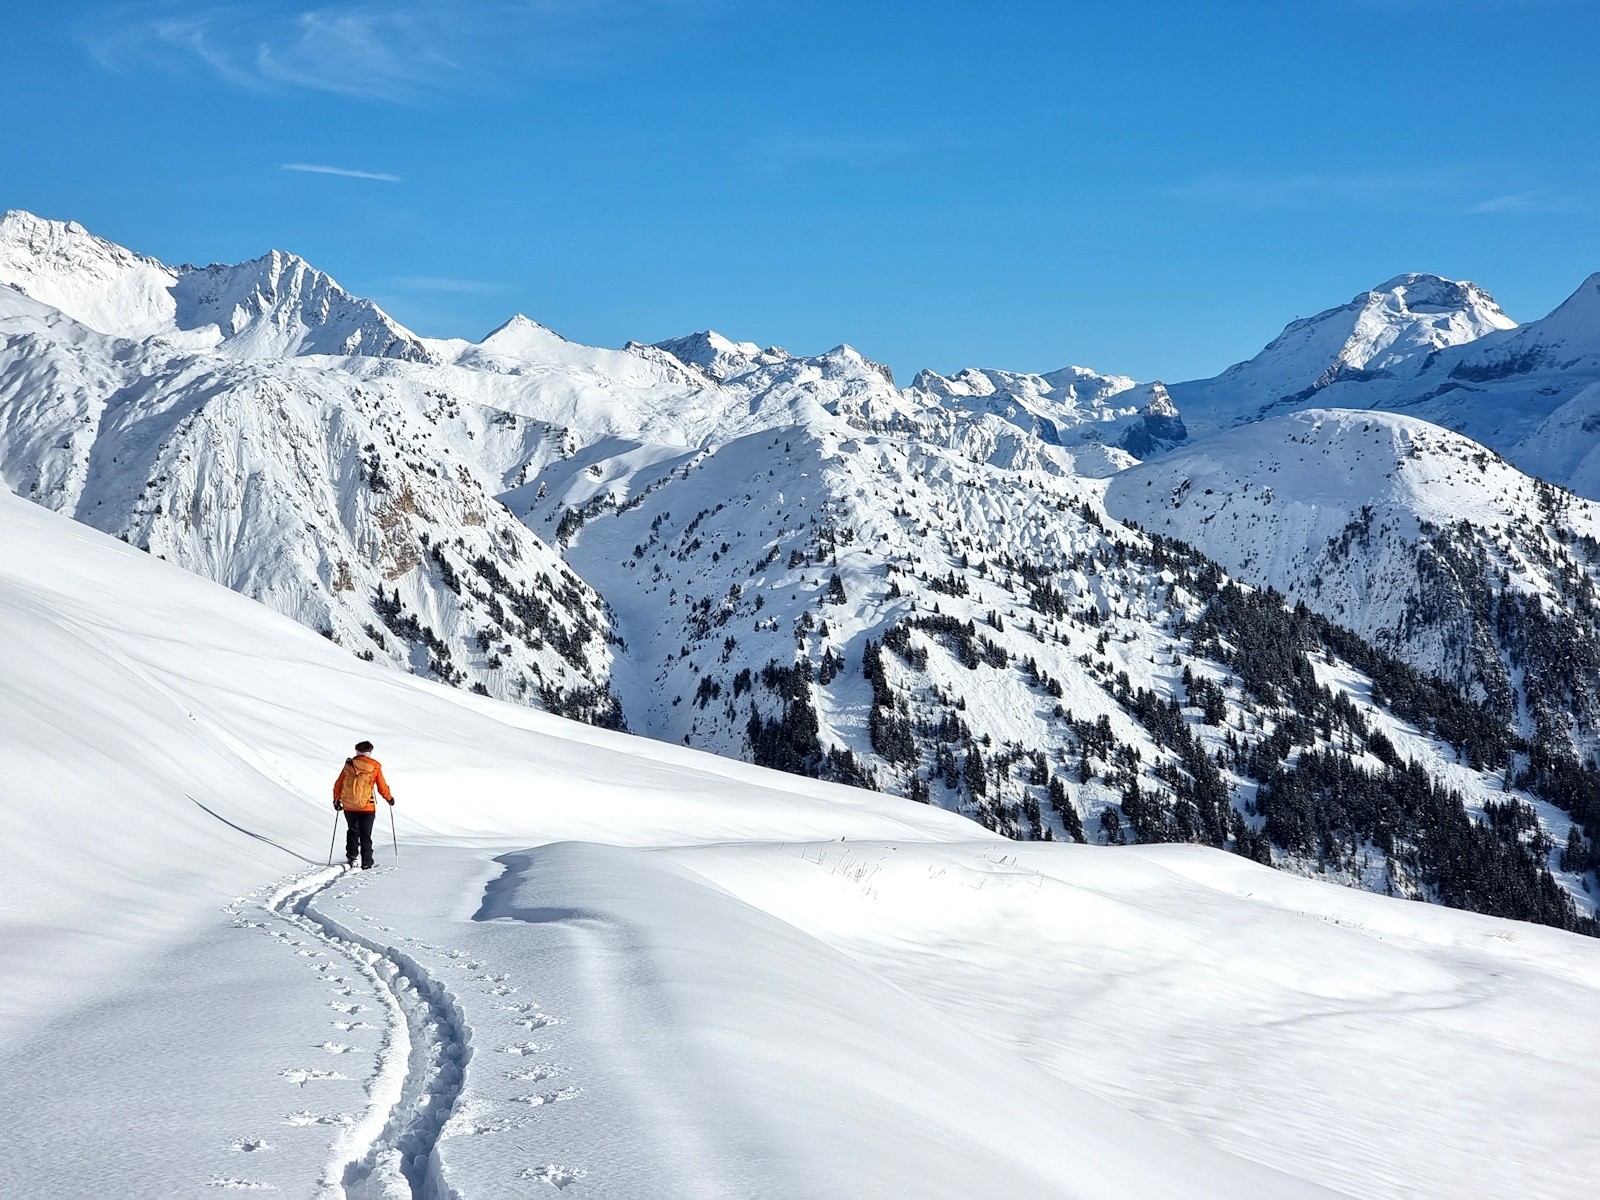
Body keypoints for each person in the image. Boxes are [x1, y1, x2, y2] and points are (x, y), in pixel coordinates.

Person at [332, 740, 394, 869]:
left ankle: (352, 855)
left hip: (349, 805)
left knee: (352, 830)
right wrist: (389, 798)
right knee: (366, 834)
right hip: (367, 807)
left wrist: (336, 800)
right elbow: (381, 786)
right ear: (369, 752)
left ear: (357, 751)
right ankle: (367, 861)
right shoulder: (375, 766)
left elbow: (339, 783)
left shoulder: (349, 764)